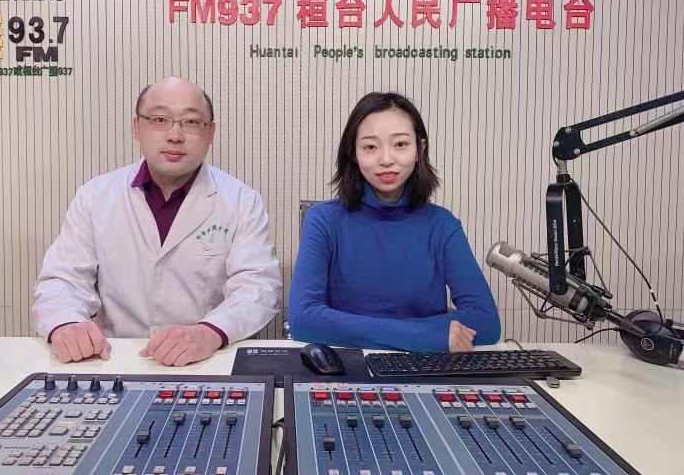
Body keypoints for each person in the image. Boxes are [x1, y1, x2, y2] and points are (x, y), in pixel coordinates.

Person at [32, 77, 282, 366]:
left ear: (210, 132)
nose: (175, 135)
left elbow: (258, 287)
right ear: (137, 127)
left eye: (191, 122)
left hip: (207, 360)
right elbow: (63, 279)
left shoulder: (241, 200)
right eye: (160, 119)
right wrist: (65, 324)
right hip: (115, 358)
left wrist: (210, 332)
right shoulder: (96, 195)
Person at [287, 92, 500, 351]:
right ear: (353, 153)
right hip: (348, 367)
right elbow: (303, 319)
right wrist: (425, 334)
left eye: (400, 144)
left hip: (423, 368)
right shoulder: (323, 220)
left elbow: (485, 322)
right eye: (370, 147)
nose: (386, 159)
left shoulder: (443, 225)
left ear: (420, 149)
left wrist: (386, 333)